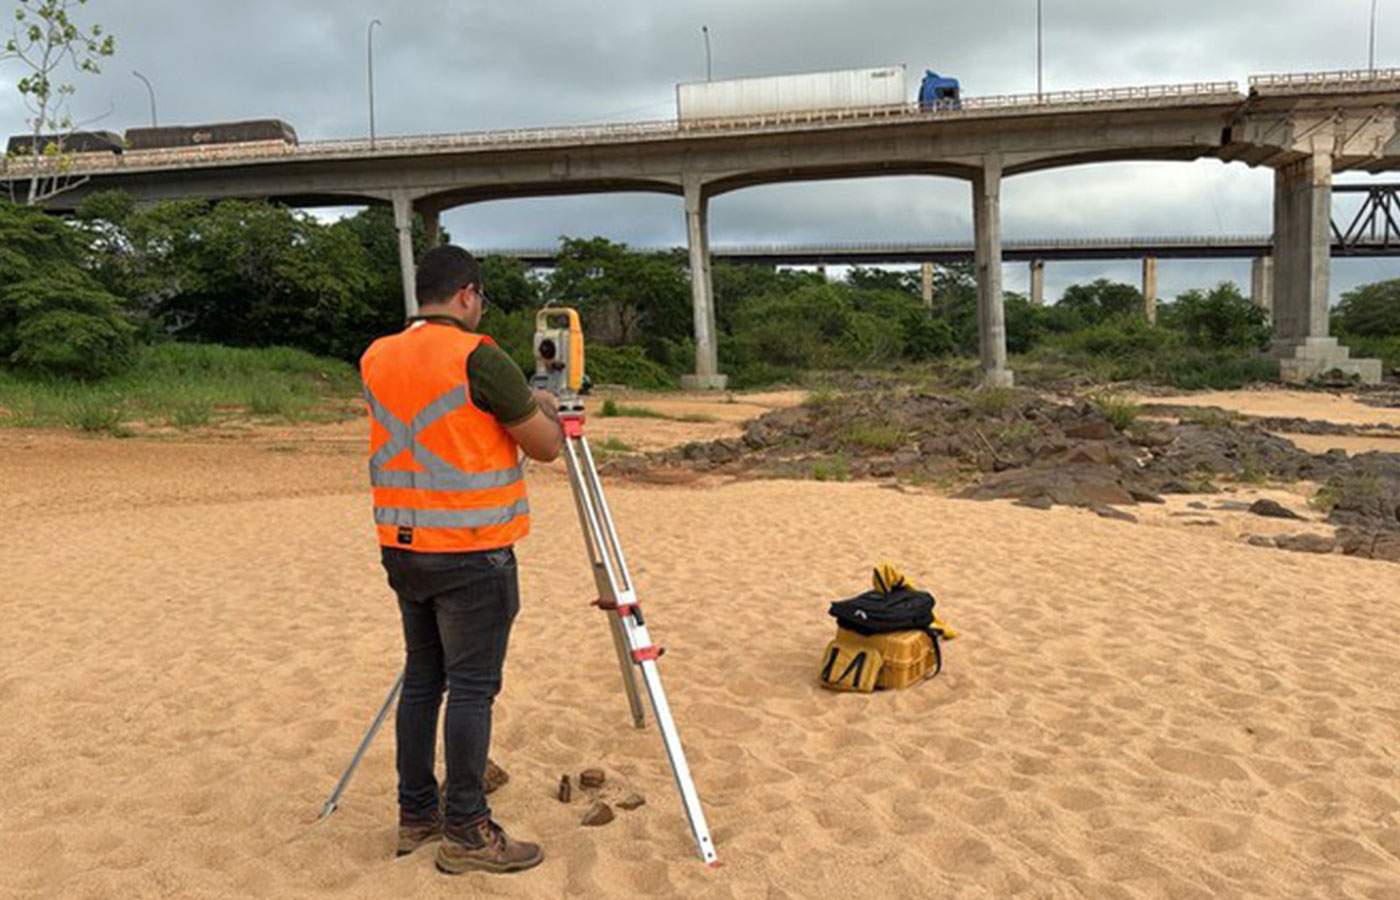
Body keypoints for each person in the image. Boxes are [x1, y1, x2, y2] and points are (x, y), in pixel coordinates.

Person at [359, 245, 562, 875]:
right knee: (472, 689)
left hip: (404, 546)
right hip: (472, 551)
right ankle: (469, 830)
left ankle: (416, 814)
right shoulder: (478, 355)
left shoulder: (377, 355)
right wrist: (549, 411)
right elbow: (546, 447)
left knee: (424, 680)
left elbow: (443, 427)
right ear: (468, 295)